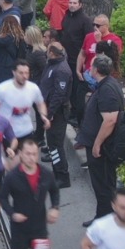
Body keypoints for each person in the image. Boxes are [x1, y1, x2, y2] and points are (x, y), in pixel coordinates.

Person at [2, 139, 60, 249]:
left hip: (39, 227)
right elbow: (3, 198)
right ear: (20, 154)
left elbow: (54, 190)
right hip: (20, 228)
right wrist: (12, 214)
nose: (31, 157)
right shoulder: (13, 177)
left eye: (34, 154)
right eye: (27, 153)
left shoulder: (45, 174)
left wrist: (55, 207)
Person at [76, 55, 124, 224]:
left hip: (103, 147)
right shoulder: (106, 85)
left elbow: (110, 120)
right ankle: (103, 216)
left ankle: (105, 220)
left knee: (103, 184)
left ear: (95, 69)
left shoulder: (107, 90)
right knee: (103, 183)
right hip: (100, 144)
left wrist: (97, 144)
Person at [0, 61, 49, 154]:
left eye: (27, 73)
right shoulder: (2, 89)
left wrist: (43, 116)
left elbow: (40, 103)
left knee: (28, 163)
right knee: (13, 164)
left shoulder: (33, 88)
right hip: (9, 135)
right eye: (21, 73)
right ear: (14, 72)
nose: (24, 76)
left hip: (27, 132)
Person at [40, 42, 73, 188]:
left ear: (52, 53)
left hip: (58, 113)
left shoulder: (62, 70)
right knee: (52, 145)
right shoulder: (52, 64)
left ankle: (62, 176)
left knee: (57, 145)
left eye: (48, 50)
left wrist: (50, 112)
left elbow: (59, 95)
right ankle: (56, 171)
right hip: (50, 110)